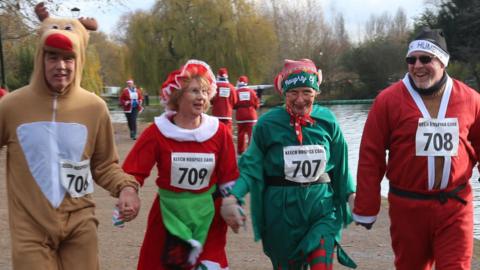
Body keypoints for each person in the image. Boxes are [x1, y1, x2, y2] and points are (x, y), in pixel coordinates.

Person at [0, 3, 140, 270]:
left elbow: (104, 165)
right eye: (52, 57)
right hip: (30, 229)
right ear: (40, 58)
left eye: (68, 58)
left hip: (80, 225)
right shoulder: (11, 106)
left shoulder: (94, 107)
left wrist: (127, 188)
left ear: (79, 60)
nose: (61, 66)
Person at [352, 27, 480, 270]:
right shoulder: (388, 101)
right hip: (407, 208)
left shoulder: (471, 99)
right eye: (411, 60)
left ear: (442, 61)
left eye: (425, 59)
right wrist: (366, 207)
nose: (417, 65)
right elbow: (371, 155)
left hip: (456, 205)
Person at [221, 59, 357, 269]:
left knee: (322, 263)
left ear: (316, 92)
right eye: (293, 92)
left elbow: (341, 165)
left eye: (307, 92)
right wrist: (233, 197)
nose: (300, 99)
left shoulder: (328, 120)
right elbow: (250, 167)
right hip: (280, 212)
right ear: (283, 93)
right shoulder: (267, 124)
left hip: (321, 207)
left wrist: (351, 195)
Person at [122, 59, 239, 270]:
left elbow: (229, 175)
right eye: (194, 91)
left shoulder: (220, 132)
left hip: (208, 214)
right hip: (169, 214)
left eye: (205, 91)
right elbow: (133, 169)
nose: (201, 96)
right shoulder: (157, 132)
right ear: (177, 95)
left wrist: (231, 203)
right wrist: (129, 192)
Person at [233, 75, 260, 155]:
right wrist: (254, 107)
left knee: (241, 134)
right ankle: (252, 151)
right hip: (251, 115)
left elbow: (234, 104)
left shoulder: (236, 92)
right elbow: (256, 103)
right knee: (251, 134)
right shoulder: (252, 91)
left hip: (240, 116)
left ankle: (240, 151)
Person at [210, 67, 237, 133]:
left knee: (216, 134)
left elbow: (210, 99)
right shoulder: (231, 87)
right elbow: (235, 101)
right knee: (228, 134)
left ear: (218, 76)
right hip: (227, 115)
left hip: (216, 115)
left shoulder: (214, 87)